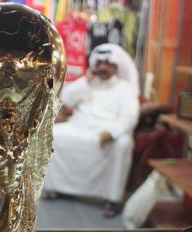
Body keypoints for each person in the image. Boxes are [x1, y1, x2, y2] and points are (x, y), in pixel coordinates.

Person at [44, 43, 140, 217]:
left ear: (116, 66)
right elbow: (66, 99)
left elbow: (129, 117)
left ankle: (113, 199)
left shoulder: (125, 88)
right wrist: (85, 80)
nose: (103, 67)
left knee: (123, 144)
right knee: (53, 135)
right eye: (99, 63)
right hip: (80, 127)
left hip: (108, 132)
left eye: (107, 64)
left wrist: (112, 134)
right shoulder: (89, 83)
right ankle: (54, 188)